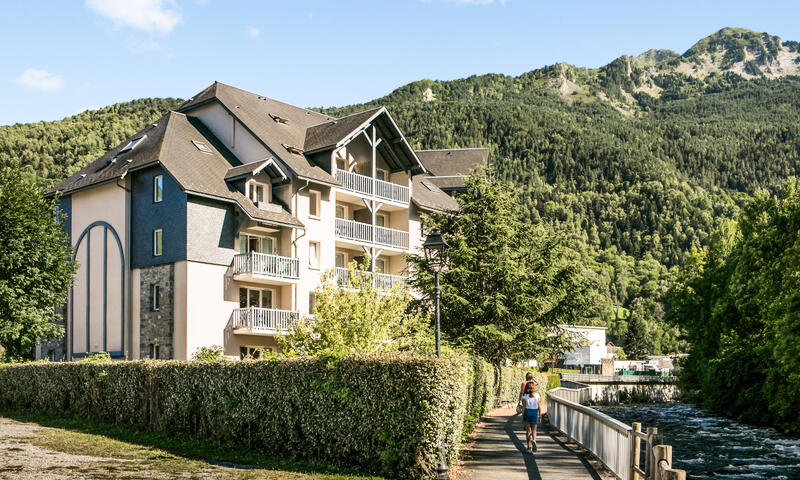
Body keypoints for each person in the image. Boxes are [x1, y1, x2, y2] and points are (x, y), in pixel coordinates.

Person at [521, 382, 540, 453]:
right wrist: (540, 415)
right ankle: (534, 440)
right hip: (535, 413)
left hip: (527, 413)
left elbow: (523, 407)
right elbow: (539, 406)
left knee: (528, 431)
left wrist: (522, 417)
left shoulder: (525, 396)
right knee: (534, 430)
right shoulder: (537, 395)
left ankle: (529, 447)